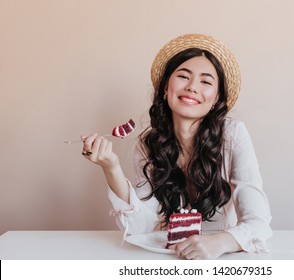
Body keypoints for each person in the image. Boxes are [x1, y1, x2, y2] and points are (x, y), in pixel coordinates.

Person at [81, 34, 272, 259]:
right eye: (183, 76)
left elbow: (259, 223)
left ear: (216, 98)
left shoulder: (233, 135)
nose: (192, 87)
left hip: (222, 259)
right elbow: (141, 227)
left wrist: (220, 243)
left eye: (206, 81)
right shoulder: (150, 143)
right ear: (165, 87)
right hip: (169, 258)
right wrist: (111, 168)